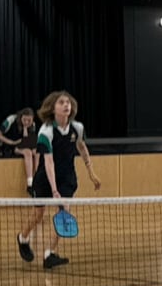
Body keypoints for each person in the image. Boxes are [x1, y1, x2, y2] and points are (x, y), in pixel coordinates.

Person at [19, 90, 102, 269]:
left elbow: (82, 147)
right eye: (61, 102)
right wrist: (54, 190)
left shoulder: (77, 128)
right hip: (45, 178)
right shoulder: (46, 131)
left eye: (68, 102)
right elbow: (48, 162)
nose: (66, 105)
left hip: (67, 178)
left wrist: (91, 172)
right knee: (38, 215)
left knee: (64, 215)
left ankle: (49, 254)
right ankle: (23, 238)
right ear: (52, 108)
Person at [0, 106, 39, 190]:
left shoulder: (33, 124)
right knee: (28, 152)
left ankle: (38, 179)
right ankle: (30, 183)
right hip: (11, 145)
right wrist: (11, 142)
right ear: (21, 117)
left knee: (36, 152)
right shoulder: (11, 119)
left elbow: (27, 139)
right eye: (24, 120)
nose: (26, 122)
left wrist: (25, 128)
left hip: (24, 144)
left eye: (29, 120)